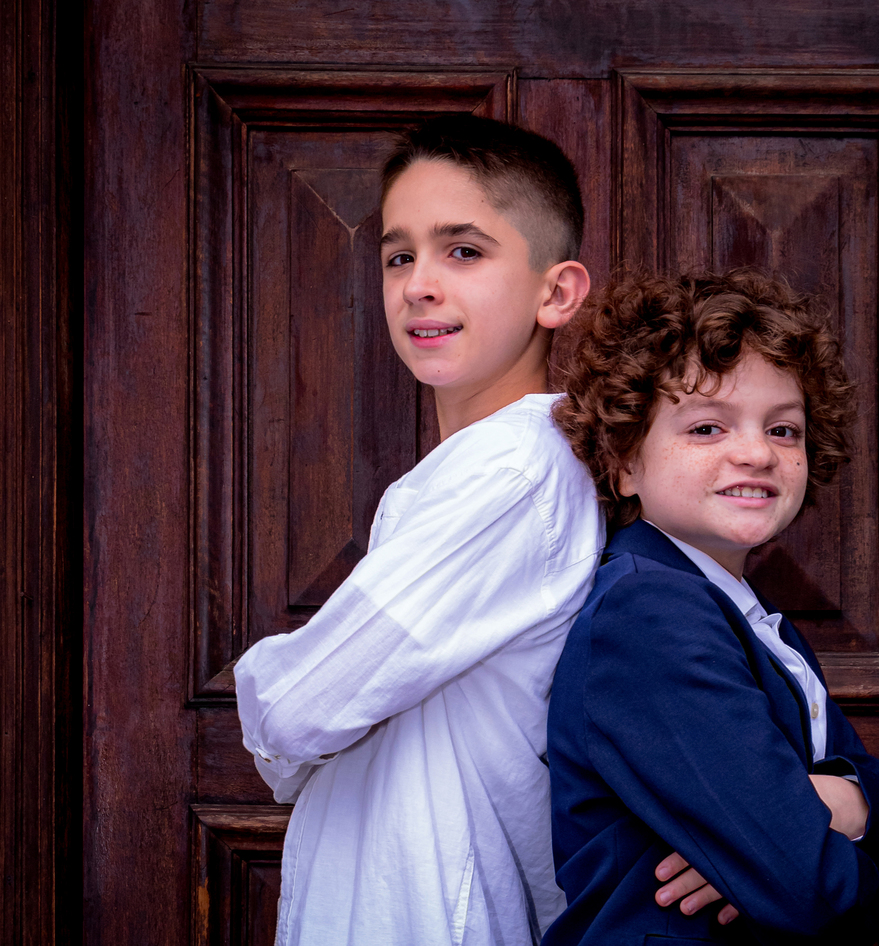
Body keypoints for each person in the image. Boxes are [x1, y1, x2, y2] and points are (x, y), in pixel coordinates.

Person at [234, 115, 605, 946]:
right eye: (400, 254)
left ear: (557, 292)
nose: (419, 285)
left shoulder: (512, 472)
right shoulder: (481, 467)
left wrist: (278, 712)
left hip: (438, 912)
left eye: (464, 251)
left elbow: (297, 706)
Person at [545, 270, 879, 944]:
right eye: (707, 427)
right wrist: (788, 843)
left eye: (785, 430)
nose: (756, 452)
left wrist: (837, 806)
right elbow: (805, 887)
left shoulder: (746, 616)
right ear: (624, 464)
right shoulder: (648, 612)